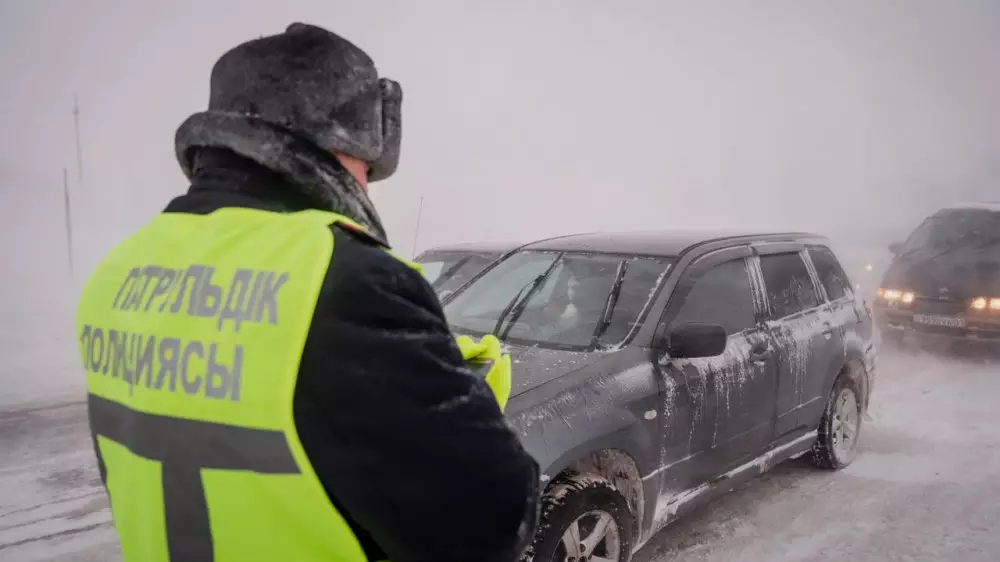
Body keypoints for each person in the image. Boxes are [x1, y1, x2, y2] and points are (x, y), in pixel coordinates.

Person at [75, 22, 539, 562]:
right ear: (338, 146)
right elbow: (493, 522)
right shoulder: (346, 277)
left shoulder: (119, 270)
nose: (367, 185)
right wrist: (464, 396)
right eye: (367, 167)